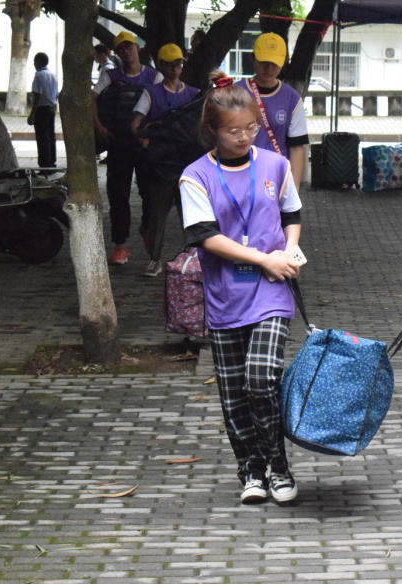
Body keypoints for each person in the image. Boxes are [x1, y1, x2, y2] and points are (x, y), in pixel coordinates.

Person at [178, 70, 304, 505]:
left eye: (251, 128)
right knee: (233, 395)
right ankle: (251, 470)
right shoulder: (195, 176)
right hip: (225, 294)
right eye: (234, 131)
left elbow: (291, 214)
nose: (245, 137)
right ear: (212, 130)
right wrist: (263, 257)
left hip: (271, 289)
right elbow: (205, 236)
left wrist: (289, 249)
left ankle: (278, 467)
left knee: (261, 378)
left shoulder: (275, 165)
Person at [92, 31, 163, 266]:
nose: (126, 51)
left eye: (129, 46)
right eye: (121, 48)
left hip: (145, 146)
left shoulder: (154, 76)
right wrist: (99, 126)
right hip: (118, 144)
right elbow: (91, 98)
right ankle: (120, 245)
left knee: (150, 194)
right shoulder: (110, 76)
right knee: (118, 195)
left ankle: (147, 227)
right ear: (117, 51)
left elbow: (163, 104)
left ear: (136, 47)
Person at [131, 43, 201, 278]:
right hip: (160, 167)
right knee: (157, 215)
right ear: (160, 65)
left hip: (188, 167)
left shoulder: (194, 94)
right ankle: (155, 259)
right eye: (170, 65)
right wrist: (143, 140)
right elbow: (135, 124)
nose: (175, 69)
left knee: (191, 215)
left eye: (178, 64)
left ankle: (194, 257)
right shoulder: (151, 93)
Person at [234, 33, 308, 191]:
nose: (269, 68)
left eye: (274, 63)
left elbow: (296, 148)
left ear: (283, 62)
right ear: (253, 58)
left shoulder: (292, 98)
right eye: (264, 61)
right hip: (239, 178)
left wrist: (293, 192)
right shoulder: (235, 92)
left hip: (275, 181)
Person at [27, 52, 59, 170]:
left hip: (41, 109)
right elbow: (56, 94)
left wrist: (32, 114)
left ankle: (44, 164)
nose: (34, 64)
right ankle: (52, 162)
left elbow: (37, 95)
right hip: (51, 107)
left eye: (34, 62)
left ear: (38, 62)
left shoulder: (39, 76)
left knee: (42, 137)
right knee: (51, 136)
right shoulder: (53, 75)